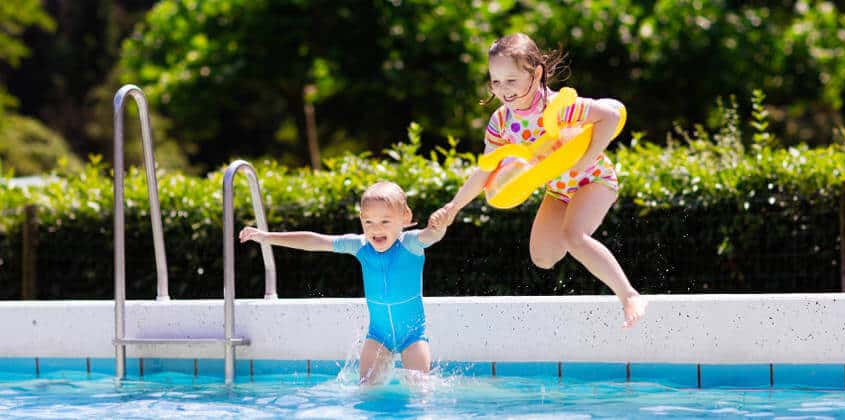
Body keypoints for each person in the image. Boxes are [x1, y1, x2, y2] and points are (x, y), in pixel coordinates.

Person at [436, 33, 646, 328]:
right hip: (559, 190)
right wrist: (454, 207)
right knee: (543, 258)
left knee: (574, 237)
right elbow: (485, 171)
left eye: (511, 80)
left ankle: (629, 296)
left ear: (536, 74)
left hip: (594, 179)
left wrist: (586, 158)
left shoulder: (558, 107)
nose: (503, 90)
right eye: (495, 81)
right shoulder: (501, 121)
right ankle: (585, 255)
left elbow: (611, 115)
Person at [239, 181, 449, 383]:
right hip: (378, 336)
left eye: (385, 221)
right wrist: (267, 237)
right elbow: (316, 241)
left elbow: (431, 235)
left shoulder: (410, 244)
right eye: (369, 222)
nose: (376, 229)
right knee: (366, 389)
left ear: (405, 217)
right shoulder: (360, 246)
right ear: (361, 219)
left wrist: (440, 226)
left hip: (412, 337)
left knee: (419, 388)